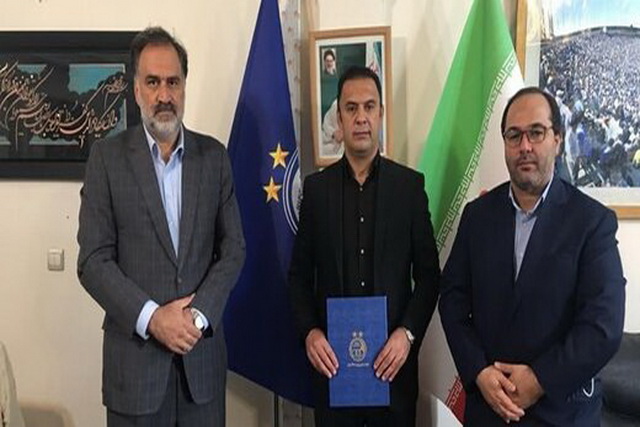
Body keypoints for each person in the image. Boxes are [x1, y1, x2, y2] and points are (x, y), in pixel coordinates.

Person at [77, 26, 245, 426]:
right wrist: (154, 318)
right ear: (136, 89)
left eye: (173, 82)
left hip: (200, 370)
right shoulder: (106, 159)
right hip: (135, 375)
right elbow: (93, 261)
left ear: (184, 86)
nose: (164, 95)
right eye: (152, 82)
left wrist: (196, 316)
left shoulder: (214, 157)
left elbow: (233, 248)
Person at [439, 87, 626, 426]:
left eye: (536, 133)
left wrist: (540, 380)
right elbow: (452, 300)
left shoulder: (592, 222)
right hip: (489, 409)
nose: (524, 146)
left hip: (562, 412)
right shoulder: (477, 217)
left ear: (557, 139)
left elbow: (604, 326)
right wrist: (479, 371)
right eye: (514, 135)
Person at [288, 66, 440, 426]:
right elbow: (298, 277)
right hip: (333, 372)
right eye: (351, 108)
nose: (361, 118)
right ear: (339, 118)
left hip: (393, 373)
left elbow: (430, 276)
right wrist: (310, 332)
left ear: (381, 114)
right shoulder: (316, 191)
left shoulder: (409, 188)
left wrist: (407, 334)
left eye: (369, 107)